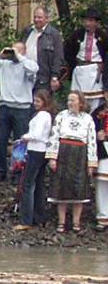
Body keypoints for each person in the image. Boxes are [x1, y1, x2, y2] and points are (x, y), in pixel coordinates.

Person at [0, 42, 38, 182]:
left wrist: (19, 57)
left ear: (24, 52)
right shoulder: (3, 64)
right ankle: (0, 171)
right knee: (0, 140)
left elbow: (33, 69)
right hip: (5, 106)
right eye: (12, 50)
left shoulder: (27, 64)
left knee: (20, 142)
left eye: (17, 51)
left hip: (22, 108)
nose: (13, 53)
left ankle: (18, 172)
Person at [46, 90, 97, 233]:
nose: (70, 103)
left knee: (79, 188)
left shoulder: (88, 118)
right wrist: (52, 157)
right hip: (63, 152)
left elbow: (92, 141)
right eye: (68, 100)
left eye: (73, 100)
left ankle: (76, 222)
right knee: (60, 187)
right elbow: (54, 136)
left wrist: (91, 163)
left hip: (80, 153)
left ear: (80, 102)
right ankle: (61, 222)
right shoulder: (61, 116)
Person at [13, 90, 56, 231]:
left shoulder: (42, 115)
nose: (35, 103)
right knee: (39, 184)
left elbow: (36, 134)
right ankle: (39, 217)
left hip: (35, 150)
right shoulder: (47, 115)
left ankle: (26, 220)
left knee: (27, 185)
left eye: (38, 101)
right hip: (42, 152)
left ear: (45, 102)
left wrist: (25, 137)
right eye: (35, 100)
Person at [62, 7, 107, 112]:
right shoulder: (77, 34)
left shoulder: (103, 36)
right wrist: (73, 64)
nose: (87, 23)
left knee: (94, 103)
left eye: (91, 21)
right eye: (86, 20)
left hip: (95, 72)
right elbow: (67, 50)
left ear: (96, 22)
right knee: (77, 100)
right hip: (80, 71)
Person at [21, 6, 64, 92]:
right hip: (25, 77)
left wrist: (54, 77)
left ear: (47, 19)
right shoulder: (28, 31)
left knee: (42, 104)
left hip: (43, 79)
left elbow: (58, 57)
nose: (36, 20)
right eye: (35, 17)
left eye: (40, 17)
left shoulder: (54, 35)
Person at [93, 95, 108, 229]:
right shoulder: (98, 112)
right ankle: (103, 216)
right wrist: (97, 135)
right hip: (104, 149)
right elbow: (90, 129)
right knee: (102, 183)